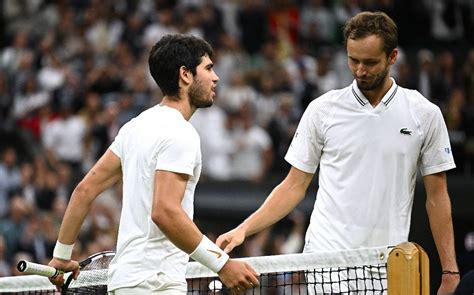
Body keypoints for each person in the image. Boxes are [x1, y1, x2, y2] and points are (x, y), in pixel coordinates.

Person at [216, 11, 460, 294]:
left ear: (393, 57)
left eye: (369, 62)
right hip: (326, 261)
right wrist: (244, 229)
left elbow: (437, 196)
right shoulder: (323, 110)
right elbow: (293, 186)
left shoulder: (424, 114)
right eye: (352, 60)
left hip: (388, 265)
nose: (359, 70)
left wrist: (450, 270)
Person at [47, 34, 259, 294]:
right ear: (185, 74)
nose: (216, 77)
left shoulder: (134, 127)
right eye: (208, 68)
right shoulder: (181, 133)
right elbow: (165, 212)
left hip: (125, 283)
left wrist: (61, 255)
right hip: (156, 283)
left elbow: (84, 190)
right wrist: (222, 264)